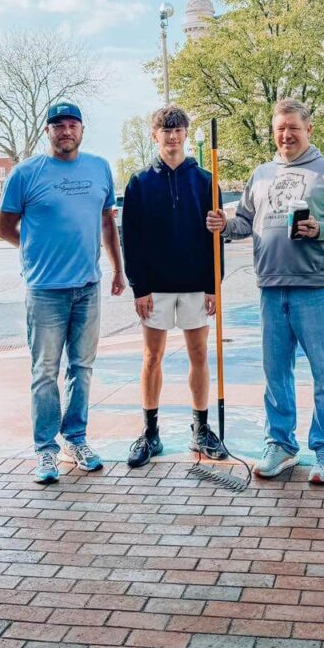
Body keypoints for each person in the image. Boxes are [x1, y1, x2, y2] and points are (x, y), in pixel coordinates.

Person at [207, 99, 324, 484]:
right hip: (271, 288)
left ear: (308, 130)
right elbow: (243, 223)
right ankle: (281, 445)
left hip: (315, 288)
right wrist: (223, 223)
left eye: (293, 128)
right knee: (276, 374)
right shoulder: (261, 174)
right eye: (279, 129)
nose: (286, 135)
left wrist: (320, 229)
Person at [0, 101, 125, 484]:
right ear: (47, 131)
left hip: (88, 287)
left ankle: (76, 439)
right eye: (58, 125)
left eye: (72, 124)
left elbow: (106, 222)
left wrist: (118, 269)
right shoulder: (25, 174)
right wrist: (33, 252)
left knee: (82, 369)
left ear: (82, 130)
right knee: (44, 373)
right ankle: (46, 451)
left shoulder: (100, 168)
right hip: (45, 291)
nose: (65, 131)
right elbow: (5, 228)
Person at [120, 105, 225, 468]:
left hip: (196, 283)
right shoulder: (139, 182)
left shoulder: (206, 180)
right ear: (155, 136)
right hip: (156, 287)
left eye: (178, 129)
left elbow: (217, 237)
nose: (172, 136)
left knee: (199, 355)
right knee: (153, 357)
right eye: (165, 130)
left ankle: (201, 428)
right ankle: (150, 432)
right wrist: (139, 287)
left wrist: (214, 284)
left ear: (185, 133)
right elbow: (129, 239)